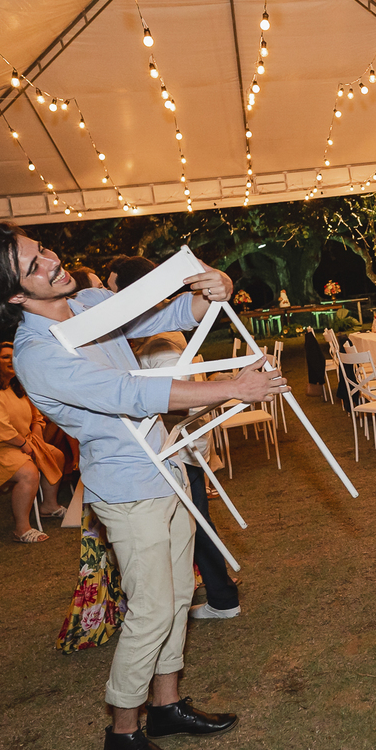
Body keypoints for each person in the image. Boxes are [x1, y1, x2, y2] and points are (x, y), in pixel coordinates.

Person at [0, 221, 288, 750]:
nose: (52, 262)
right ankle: (122, 737)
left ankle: (168, 705)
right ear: (14, 296)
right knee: (151, 610)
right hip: (129, 490)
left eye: (43, 251)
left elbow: (169, 314)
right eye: (35, 266)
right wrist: (234, 387)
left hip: (166, 467)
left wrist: (212, 289)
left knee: (178, 595)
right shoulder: (37, 354)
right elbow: (130, 393)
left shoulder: (86, 302)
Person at [110, 255, 241, 621]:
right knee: (194, 523)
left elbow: (177, 396)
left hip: (177, 447)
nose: (107, 294)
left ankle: (222, 597)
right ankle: (218, 593)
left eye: (111, 286)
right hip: (180, 445)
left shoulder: (159, 339)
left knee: (196, 525)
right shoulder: (149, 333)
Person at [0, 342, 67, 543]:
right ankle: (21, 528)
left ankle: (48, 506)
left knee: (56, 455)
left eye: (14, 357)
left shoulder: (16, 388)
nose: (11, 360)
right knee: (28, 472)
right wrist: (25, 446)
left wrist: (37, 438)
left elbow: (36, 417)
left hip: (15, 445)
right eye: (5, 357)